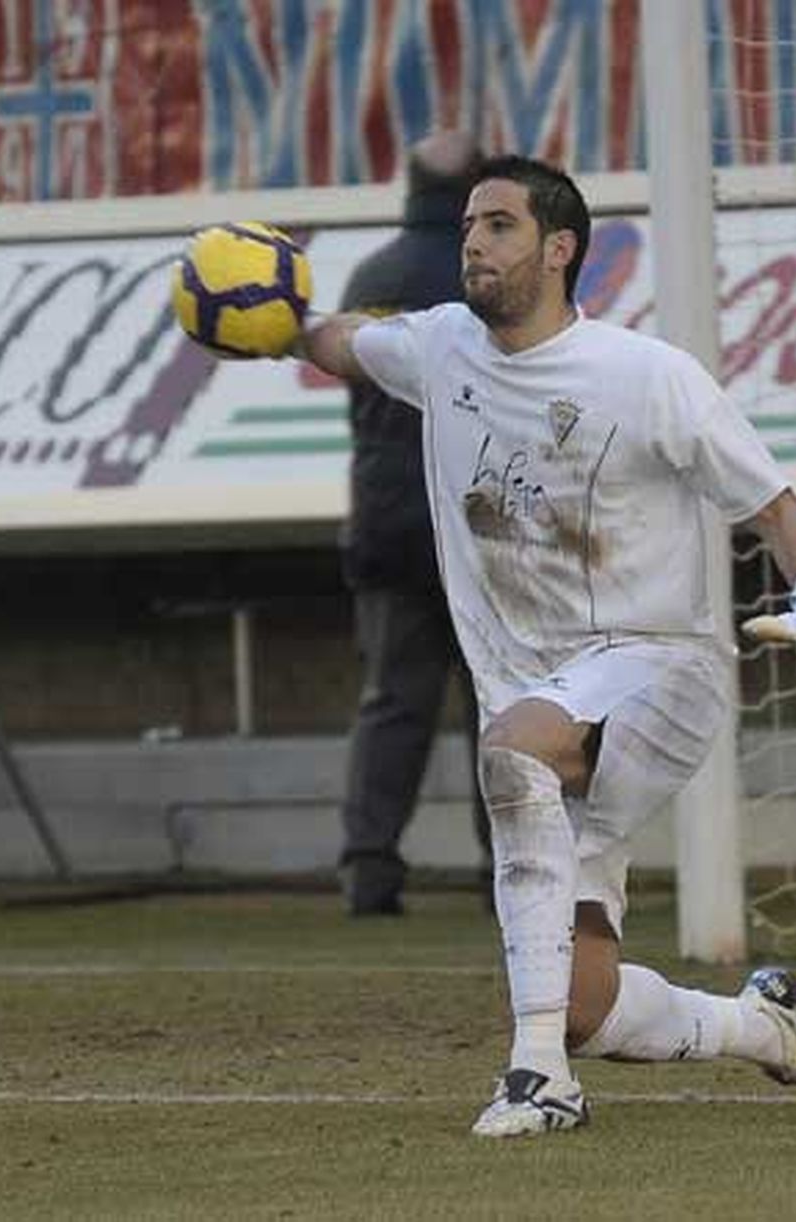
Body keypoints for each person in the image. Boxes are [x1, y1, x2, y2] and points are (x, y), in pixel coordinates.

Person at [289, 154, 796, 1135]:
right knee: (592, 1004)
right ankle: (765, 1028)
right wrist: (274, 317)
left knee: (514, 750)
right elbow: (344, 344)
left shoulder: (646, 375)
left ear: (559, 249)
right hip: (545, 694)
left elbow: (778, 507)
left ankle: (536, 1076)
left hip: (658, 667)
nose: (473, 239)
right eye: (470, 222)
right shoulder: (438, 349)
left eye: (499, 224)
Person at [336, 130, 493, 917]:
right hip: (480, 526)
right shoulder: (488, 280)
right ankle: (507, 870)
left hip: (387, 524)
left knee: (391, 706)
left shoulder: (369, 276)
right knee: (498, 704)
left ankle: (369, 871)